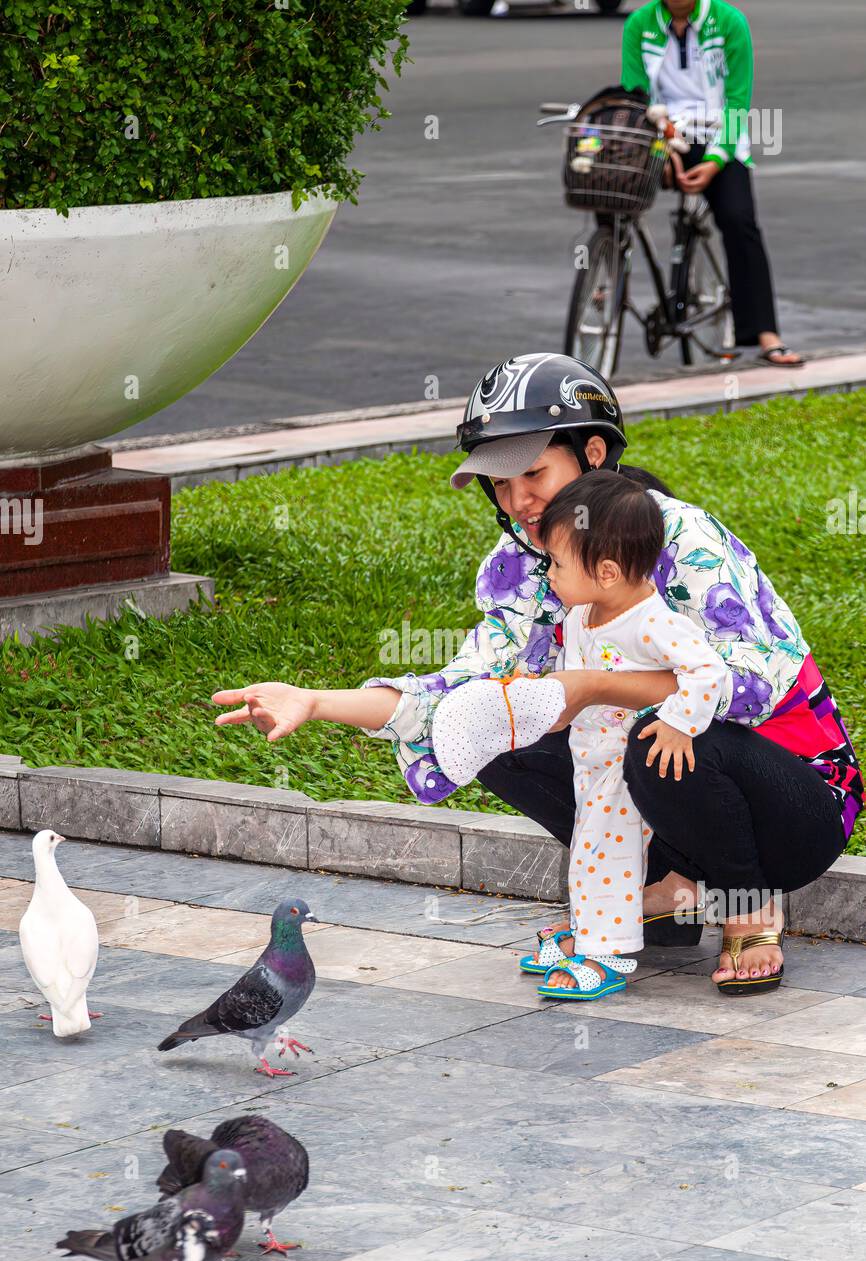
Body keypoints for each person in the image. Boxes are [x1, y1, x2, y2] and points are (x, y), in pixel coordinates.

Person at [212, 353, 862, 994]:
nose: (518, 500)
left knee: (661, 731)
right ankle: (663, 892)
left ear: (595, 456)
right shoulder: (522, 563)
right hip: (668, 788)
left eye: (533, 473)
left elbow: (755, 682)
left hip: (796, 801)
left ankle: (748, 905)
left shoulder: (683, 539)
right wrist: (314, 701)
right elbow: (463, 688)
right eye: (500, 484)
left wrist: (597, 688)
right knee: (487, 720)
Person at [430, 469, 733, 1001]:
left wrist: (678, 725)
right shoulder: (588, 612)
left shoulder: (650, 622)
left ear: (608, 570)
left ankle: (605, 954)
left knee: (602, 853)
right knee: (590, 851)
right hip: (592, 762)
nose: (548, 574)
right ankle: (599, 931)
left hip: (625, 768)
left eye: (558, 564)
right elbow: (576, 685)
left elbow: (709, 672)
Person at [621, 0, 803, 366]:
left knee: (739, 220)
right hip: (662, 136)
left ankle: (766, 333)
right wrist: (662, 150)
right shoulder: (639, 24)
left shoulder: (730, 22)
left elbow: (737, 102)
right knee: (612, 186)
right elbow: (634, 97)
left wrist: (716, 160)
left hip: (719, 136)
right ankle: (604, 286)